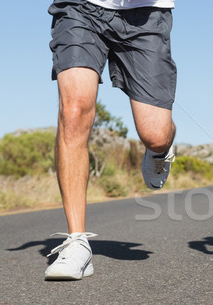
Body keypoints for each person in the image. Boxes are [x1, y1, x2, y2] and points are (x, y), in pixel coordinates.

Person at [44, 0, 178, 280]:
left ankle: (160, 150)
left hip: (145, 15)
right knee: (73, 113)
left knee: (155, 134)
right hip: (80, 8)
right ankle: (77, 241)